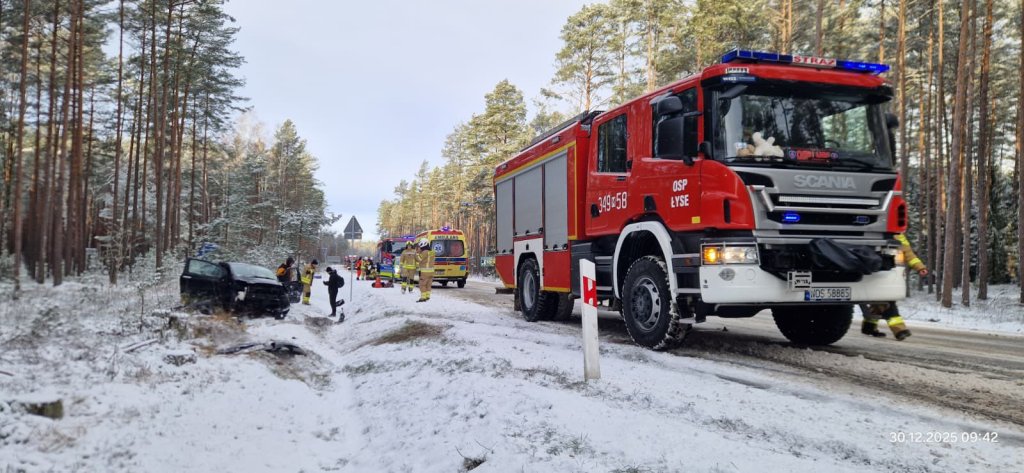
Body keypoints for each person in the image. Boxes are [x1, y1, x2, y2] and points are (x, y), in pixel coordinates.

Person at [861, 233, 929, 340]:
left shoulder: (899, 235)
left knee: (880, 302)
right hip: (874, 271)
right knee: (886, 301)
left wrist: (920, 267)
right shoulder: (873, 230)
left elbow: (908, 253)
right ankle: (899, 330)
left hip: (890, 272)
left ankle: (869, 326)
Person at [416, 238, 435, 302]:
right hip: (431, 272)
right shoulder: (432, 252)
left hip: (425, 272)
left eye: (420, 244)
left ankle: (423, 298)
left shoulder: (424, 252)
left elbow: (419, 259)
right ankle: (427, 296)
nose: (419, 246)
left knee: (422, 285)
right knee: (428, 285)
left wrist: (417, 254)